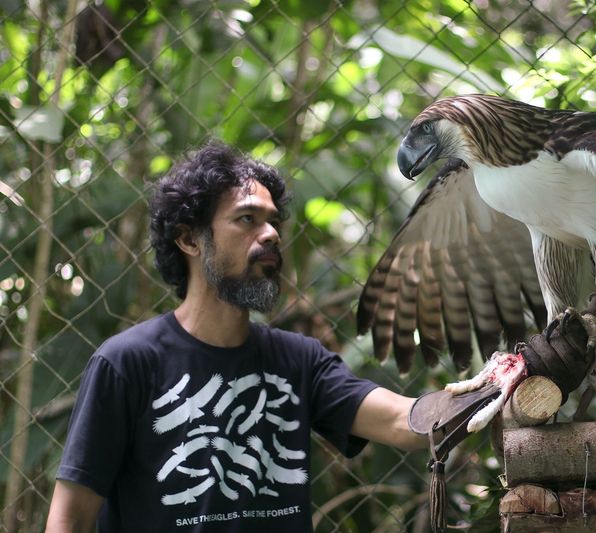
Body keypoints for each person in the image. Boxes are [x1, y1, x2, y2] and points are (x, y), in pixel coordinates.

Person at [45, 142, 428, 532]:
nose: (271, 235)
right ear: (189, 240)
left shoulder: (299, 360)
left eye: (273, 222)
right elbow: (69, 520)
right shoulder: (127, 362)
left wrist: (489, 388)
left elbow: (403, 421)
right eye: (247, 219)